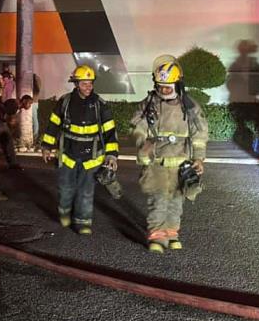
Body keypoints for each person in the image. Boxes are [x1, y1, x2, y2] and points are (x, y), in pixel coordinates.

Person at [130, 55, 208, 254]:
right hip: (157, 162)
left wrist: (198, 158)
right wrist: (143, 143)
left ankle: (172, 234)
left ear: (178, 84)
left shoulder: (190, 107)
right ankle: (157, 237)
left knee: (176, 200)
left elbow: (199, 135)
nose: (163, 91)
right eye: (160, 86)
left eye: (168, 87)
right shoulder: (148, 105)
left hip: (181, 164)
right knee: (158, 200)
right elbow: (138, 127)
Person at [41, 65, 119, 235]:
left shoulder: (100, 105)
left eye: (90, 83)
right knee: (65, 189)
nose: (88, 87)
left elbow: (110, 131)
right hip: (67, 155)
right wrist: (47, 146)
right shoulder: (65, 102)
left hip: (91, 157)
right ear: (76, 84)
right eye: (84, 84)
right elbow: (53, 124)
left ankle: (83, 222)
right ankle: (64, 213)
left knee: (86, 191)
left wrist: (112, 155)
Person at [0, 97, 31, 174]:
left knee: (5, 142)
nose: (30, 106)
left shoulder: (16, 105)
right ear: (24, 101)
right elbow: (9, 119)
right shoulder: (15, 105)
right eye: (29, 103)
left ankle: (10, 163)